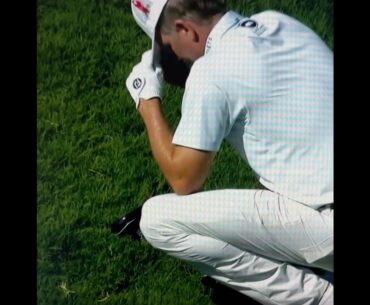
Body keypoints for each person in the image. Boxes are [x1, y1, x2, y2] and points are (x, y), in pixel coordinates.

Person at [124, 0, 333, 304]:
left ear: (184, 29)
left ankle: (321, 296)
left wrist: (148, 102)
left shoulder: (212, 71)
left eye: (168, 47)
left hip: (328, 225)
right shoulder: (279, 23)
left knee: (157, 220)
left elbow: (184, 179)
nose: (175, 59)